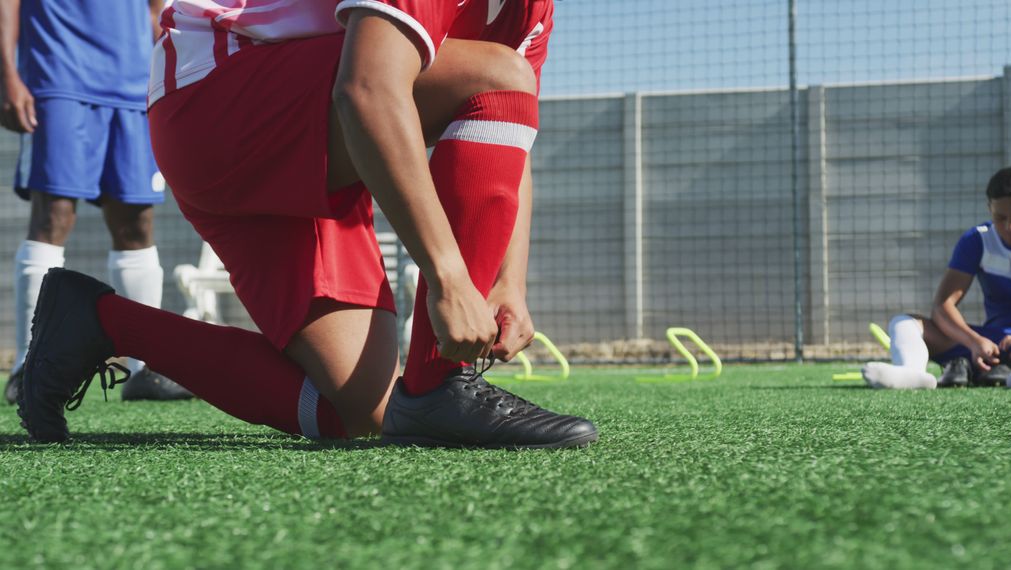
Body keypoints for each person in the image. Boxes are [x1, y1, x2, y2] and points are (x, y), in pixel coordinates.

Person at [17, 0, 598, 448]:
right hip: (222, 100)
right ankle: (441, 385)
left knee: (366, 412)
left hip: (310, 139)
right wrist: (448, 279)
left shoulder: (533, 12)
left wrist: (507, 283)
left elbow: (507, 124)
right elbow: (368, 91)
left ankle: (99, 320)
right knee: (499, 71)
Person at [0, 0, 191, 403]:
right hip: (58, 76)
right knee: (54, 216)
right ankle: (29, 366)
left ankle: (144, 368)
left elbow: (158, 12)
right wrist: (7, 75)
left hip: (134, 84)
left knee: (136, 222)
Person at [863, 167, 1011, 390]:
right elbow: (942, 307)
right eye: (1000, 218)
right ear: (989, 209)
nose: (1010, 227)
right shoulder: (977, 240)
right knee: (904, 322)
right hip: (995, 347)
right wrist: (974, 342)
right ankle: (913, 373)